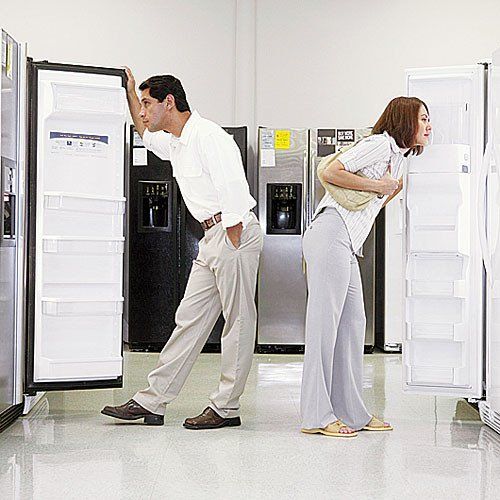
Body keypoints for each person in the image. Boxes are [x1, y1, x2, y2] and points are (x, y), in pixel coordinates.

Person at [102, 68, 263, 429]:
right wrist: (131, 92)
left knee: (238, 322)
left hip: (232, 231)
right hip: (212, 237)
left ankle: (226, 408)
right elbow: (145, 134)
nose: (144, 111)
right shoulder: (176, 141)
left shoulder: (209, 136)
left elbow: (234, 188)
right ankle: (152, 401)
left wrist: (232, 237)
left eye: (148, 104)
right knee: (188, 320)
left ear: (169, 102)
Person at [300, 97, 432, 438]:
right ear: (405, 120)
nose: (428, 126)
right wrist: (379, 186)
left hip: (346, 242)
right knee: (323, 327)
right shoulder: (379, 145)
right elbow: (329, 172)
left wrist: (388, 189)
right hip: (331, 233)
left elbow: (373, 201)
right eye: (423, 118)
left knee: (353, 323)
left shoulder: (398, 158)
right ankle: (316, 416)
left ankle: (352, 412)